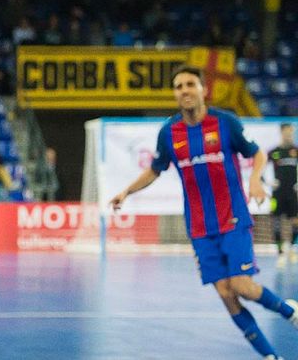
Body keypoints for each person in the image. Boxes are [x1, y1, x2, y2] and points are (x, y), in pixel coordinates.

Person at [110, 66, 298, 359]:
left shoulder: (225, 123)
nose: (184, 90)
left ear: (202, 89)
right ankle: (270, 356)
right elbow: (155, 170)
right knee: (226, 294)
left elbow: (257, 153)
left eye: (190, 84)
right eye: (178, 86)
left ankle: (290, 312)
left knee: (242, 286)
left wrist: (254, 179)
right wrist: (126, 191)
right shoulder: (169, 132)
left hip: (233, 218)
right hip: (199, 228)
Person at [267, 123, 298, 268]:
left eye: (290, 133)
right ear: (281, 133)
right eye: (286, 132)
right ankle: (280, 253)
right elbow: (259, 167)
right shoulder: (274, 151)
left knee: (295, 222)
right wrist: (268, 182)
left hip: (293, 193)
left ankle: (291, 248)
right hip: (277, 194)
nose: (288, 135)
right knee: (277, 223)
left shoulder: (295, 151)